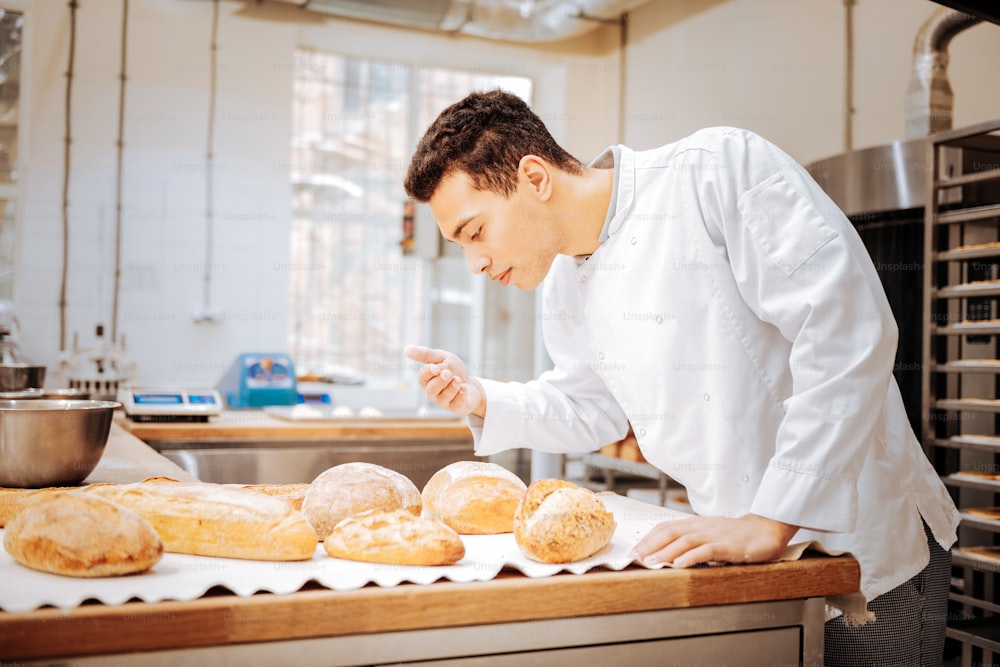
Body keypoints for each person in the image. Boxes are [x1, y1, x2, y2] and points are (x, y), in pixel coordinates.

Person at [403, 89, 960, 666]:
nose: (476, 264)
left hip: (863, 549)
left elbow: (847, 332)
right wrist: (483, 398)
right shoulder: (565, 283)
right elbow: (593, 406)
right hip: (743, 554)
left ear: (535, 178)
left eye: (475, 233)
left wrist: (773, 519)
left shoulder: (715, 172)